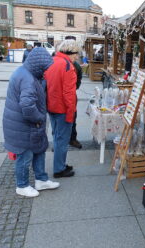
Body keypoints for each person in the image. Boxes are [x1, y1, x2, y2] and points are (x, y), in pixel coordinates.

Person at [3, 47, 60, 197]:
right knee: (25, 156)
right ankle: (21, 185)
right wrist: (39, 118)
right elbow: (27, 107)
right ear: (38, 65)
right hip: (24, 126)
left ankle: (41, 180)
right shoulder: (27, 78)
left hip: (27, 125)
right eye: (45, 68)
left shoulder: (26, 73)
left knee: (39, 150)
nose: (46, 71)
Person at [45, 39, 80, 178]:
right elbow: (69, 94)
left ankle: (60, 164)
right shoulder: (68, 66)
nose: (77, 57)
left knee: (57, 137)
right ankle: (59, 169)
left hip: (52, 106)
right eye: (76, 53)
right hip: (62, 109)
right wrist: (71, 114)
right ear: (71, 52)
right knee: (62, 140)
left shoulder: (52, 61)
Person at [65, 36, 83, 149]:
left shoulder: (76, 65)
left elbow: (78, 81)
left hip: (71, 96)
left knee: (72, 118)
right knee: (59, 121)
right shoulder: (57, 60)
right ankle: (59, 142)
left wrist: (72, 89)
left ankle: (72, 139)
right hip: (58, 97)